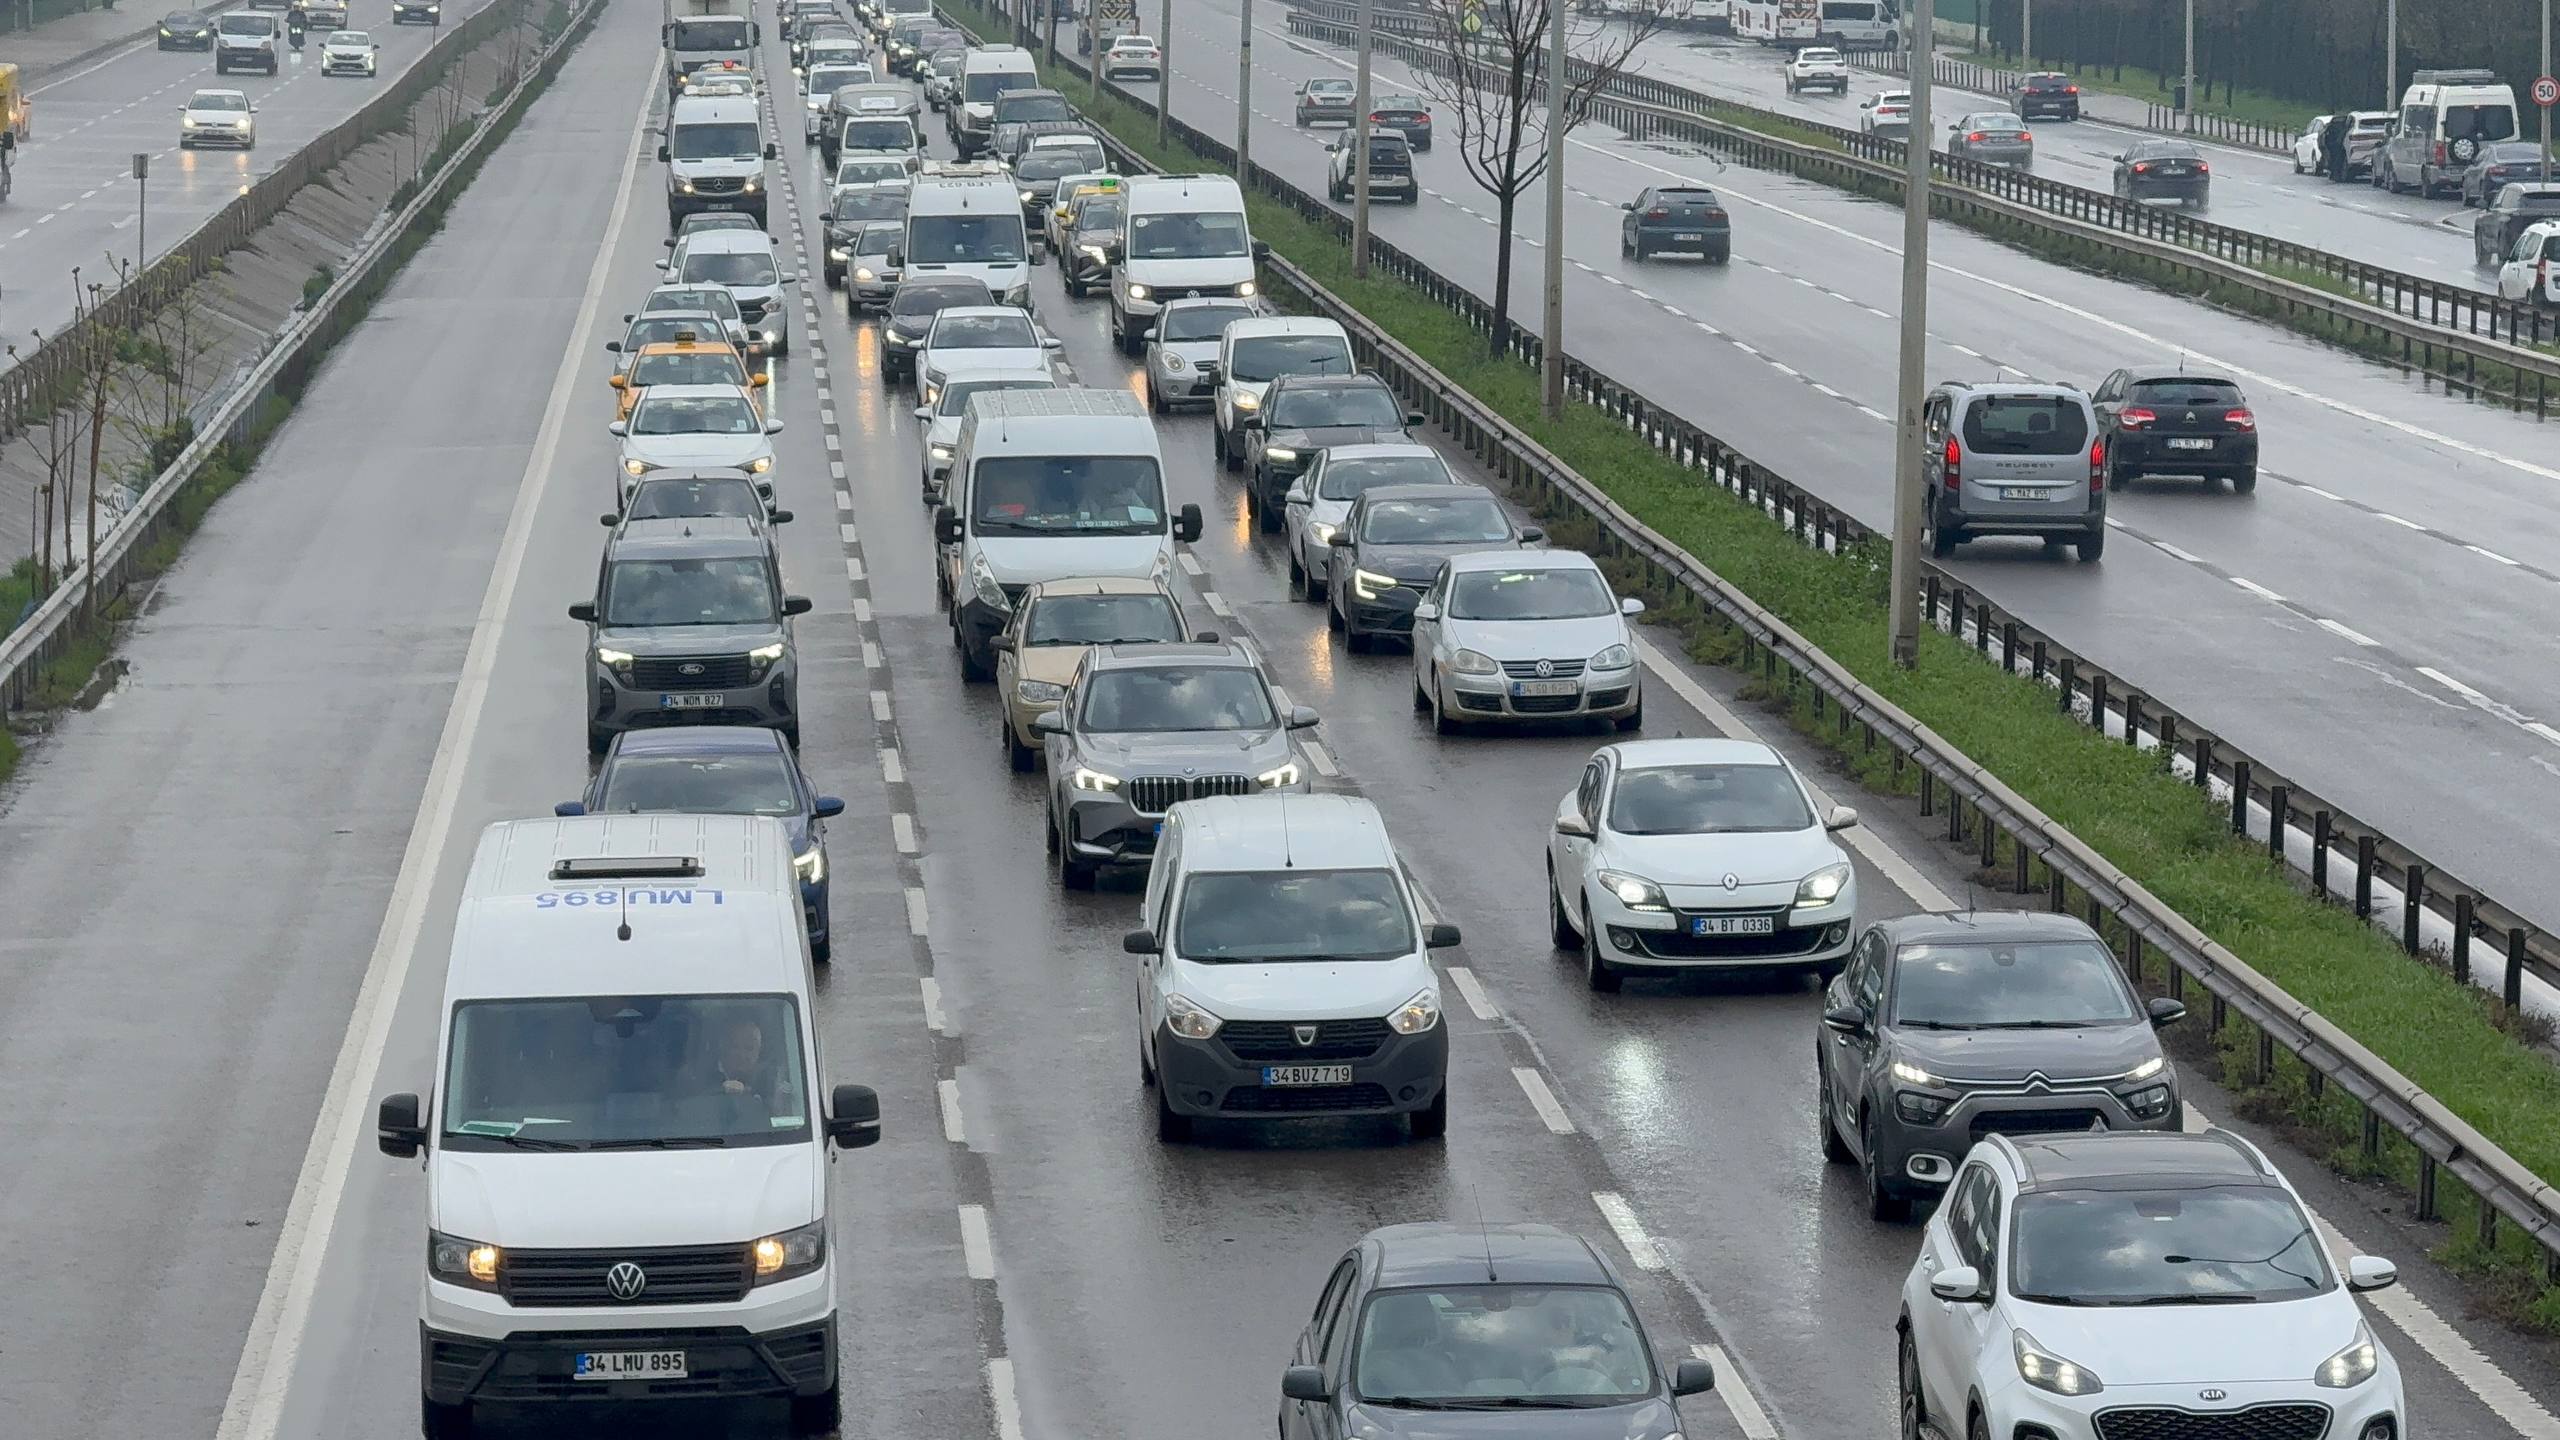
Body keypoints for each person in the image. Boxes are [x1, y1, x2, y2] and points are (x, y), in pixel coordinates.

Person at [2320, 112, 2350, 184]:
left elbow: (2324, 137)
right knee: (2337, 161)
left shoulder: (2331, 127)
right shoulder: (2344, 127)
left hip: (2333, 146)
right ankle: (2336, 175)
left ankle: (2335, 175)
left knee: (2335, 161)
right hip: (2338, 146)